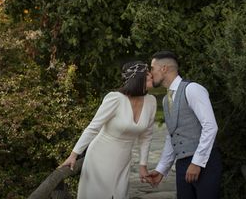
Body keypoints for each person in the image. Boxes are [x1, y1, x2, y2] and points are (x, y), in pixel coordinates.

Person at [60, 61, 157, 199]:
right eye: (147, 75)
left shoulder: (151, 101)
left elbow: (146, 136)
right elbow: (94, 127)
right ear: (137, 79)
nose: (152, 76)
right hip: (100, 157)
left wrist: (143, 165)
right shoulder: (115, 99)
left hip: (123, 160)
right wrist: (73, 155)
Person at [147, 51, 222, 199]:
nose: (150, 73)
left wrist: (197, 162)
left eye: (152, 68)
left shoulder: (192, 89)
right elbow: (172, 136)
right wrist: (161, 169)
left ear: (164, 69)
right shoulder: (165, 100)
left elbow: (210, 127)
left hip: (204, 163)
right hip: (182, 164)